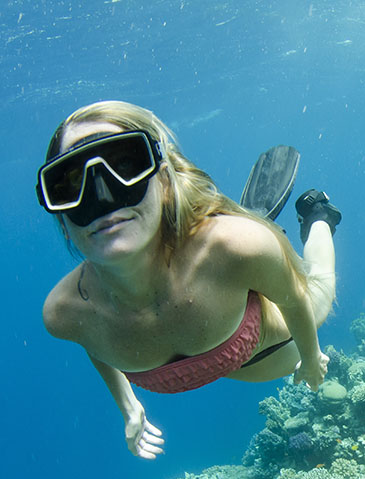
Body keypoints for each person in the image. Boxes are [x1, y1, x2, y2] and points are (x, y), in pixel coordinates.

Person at [37, 100, 341, 459]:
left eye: (125, 164)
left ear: (164, 182)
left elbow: (292, 297)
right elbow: (96, 339)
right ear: (63, 221)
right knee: (249, 245)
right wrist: (128, 405)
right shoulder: (66, 313)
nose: (103, 197)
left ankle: (318, 213)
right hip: (229, 324)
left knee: (319, 286)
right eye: (71, 183)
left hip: (266, 347)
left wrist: (310, 355)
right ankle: (256, 225)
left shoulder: (237, 247)